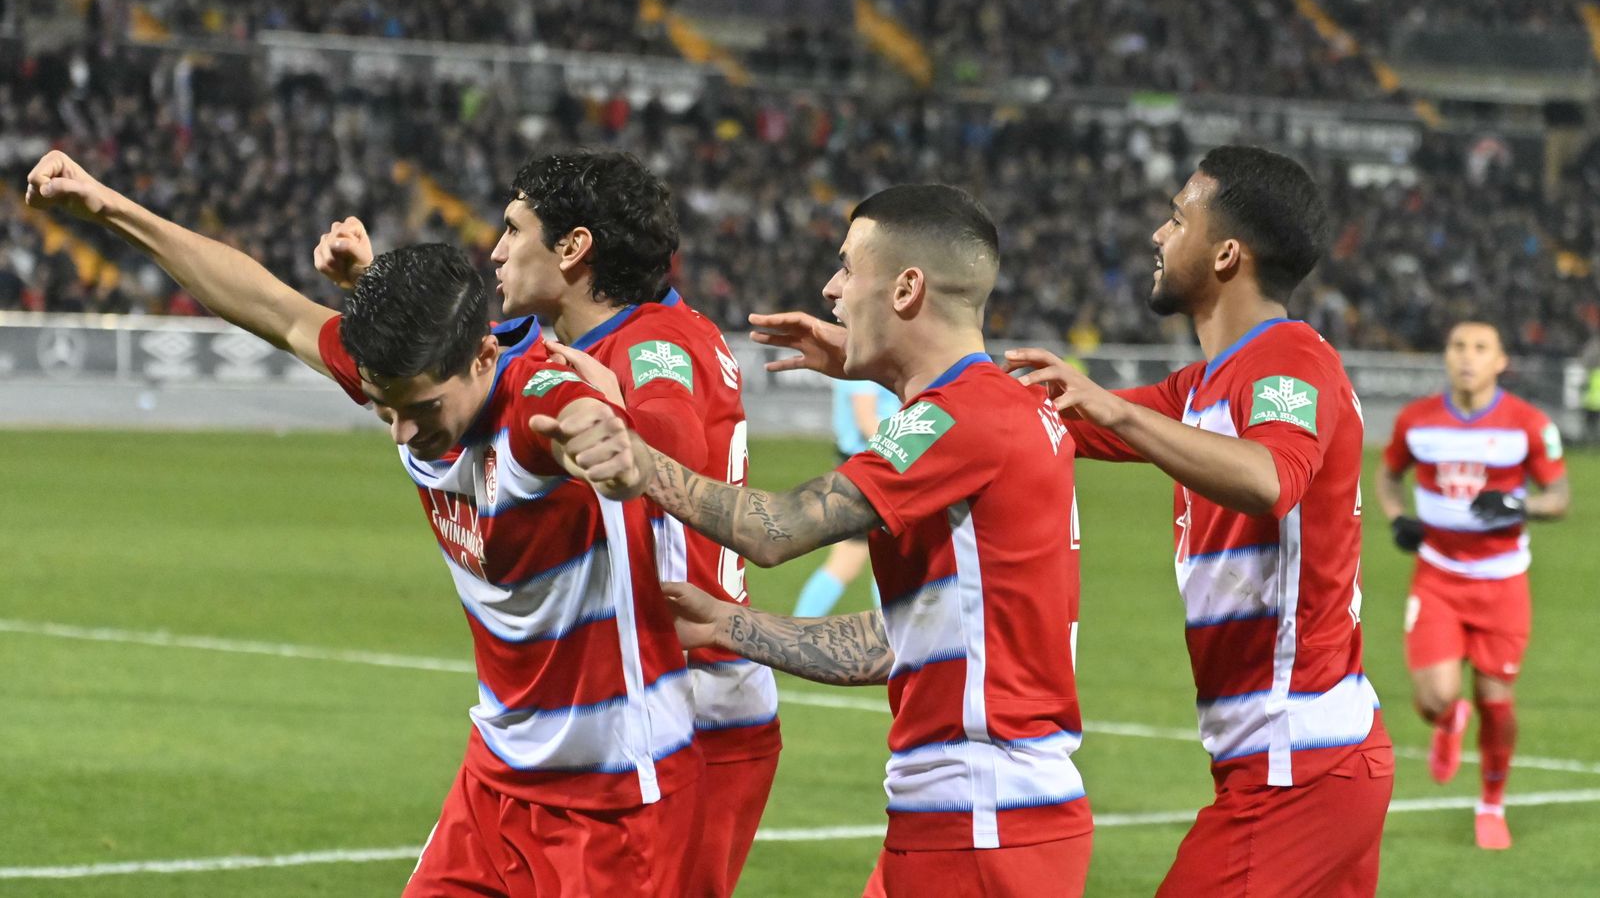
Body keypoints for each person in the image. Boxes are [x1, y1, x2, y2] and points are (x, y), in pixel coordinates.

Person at [24, 150, 702, 897]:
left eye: (419, 412)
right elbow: (267, 305)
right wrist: (107, 207)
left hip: (612, 805)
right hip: (497, 781)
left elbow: (579, 416)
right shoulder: (421, 372)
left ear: (483, 358)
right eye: (387, 410)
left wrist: (607, 443)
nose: (405, 436)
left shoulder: (540, 393)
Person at [549, 184, 1094, 897]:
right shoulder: (1003, 408)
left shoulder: (964, 419)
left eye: (847, 267)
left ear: (906, 288)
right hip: (973, 814)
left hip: (983, 822)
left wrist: (628, 450)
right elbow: (902, 641)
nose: (832, 290)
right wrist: (732, 625)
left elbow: (774, 530)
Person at [313, 151, 780, 898]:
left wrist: (621, 432)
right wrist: (379, 290)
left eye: (513, 228)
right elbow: (444, 350)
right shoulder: (561, 347)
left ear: (573, 248)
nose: (496, 248)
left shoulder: (654, 344)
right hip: (621, 697)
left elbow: (672, 431)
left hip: (694, 699)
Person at [1002, 145, 1393, 896]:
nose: (1157, 234)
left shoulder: (1290, 359)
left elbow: (1270, 478)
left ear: (1225, 254)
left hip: (1299, 765)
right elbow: (1043, 421)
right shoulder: (1205, 384)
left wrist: (1116, 407)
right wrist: (896, 363)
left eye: (1177, 217)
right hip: (1293, 762)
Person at [1377, 320, 1569, 849]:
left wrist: (1517, 504)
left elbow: (1559, 496)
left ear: (1501, 361)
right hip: (1437, 575)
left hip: (1502, 583)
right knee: (1437, 696)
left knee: (1496, 701)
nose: (1467, 357)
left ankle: (1491, 804)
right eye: (1458, 346)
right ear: (1446, 355)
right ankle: (1445, 720)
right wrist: (1398, 518)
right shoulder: (1417, 421)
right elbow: (1388, 475)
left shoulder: (1527, 424)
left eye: (1481, 348)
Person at [791, 378, 899, 617]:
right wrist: (914, 446)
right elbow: (866, 421)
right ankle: (896, 639)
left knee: (853, 563)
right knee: (880, 562)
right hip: (870, 474)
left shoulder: (863, 359)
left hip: (862, 471)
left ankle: (795, 634)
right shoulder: (863, 368)